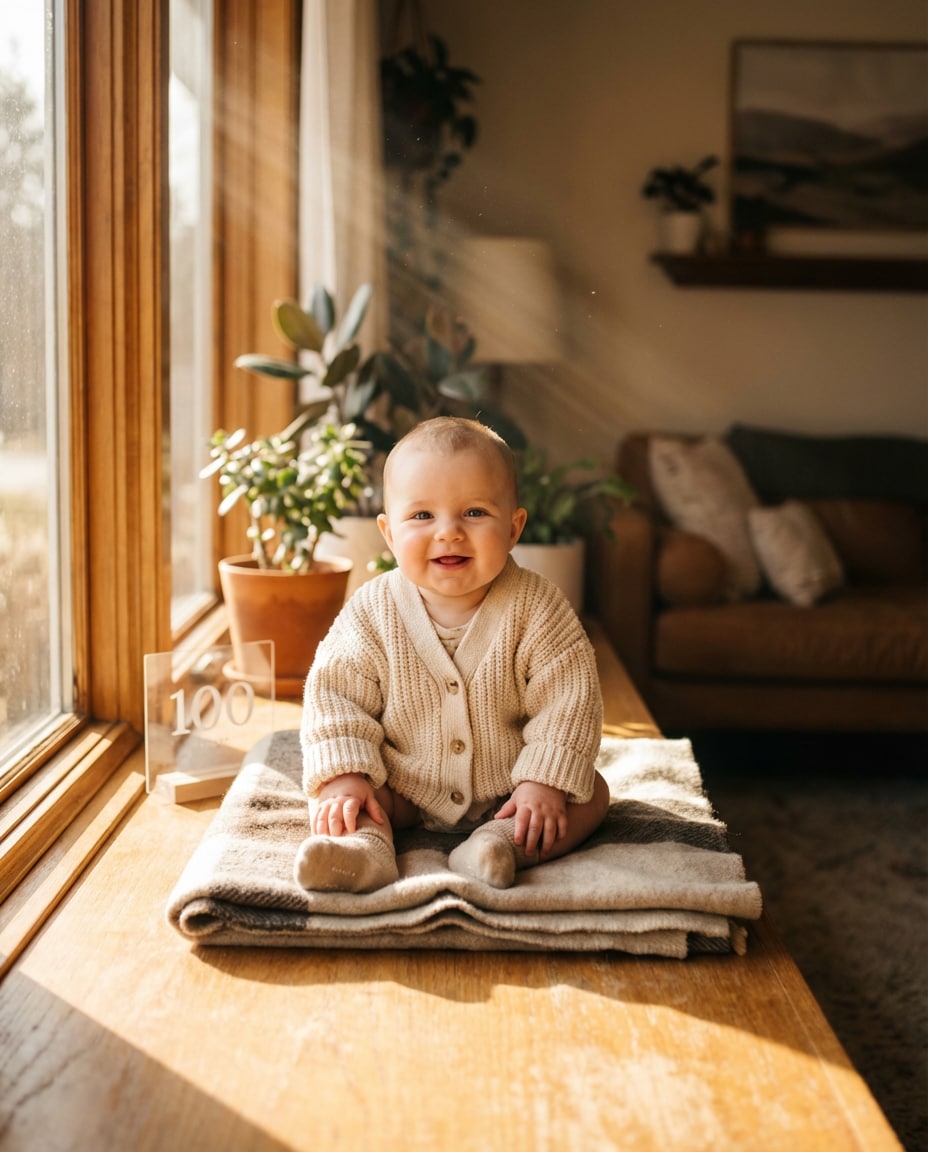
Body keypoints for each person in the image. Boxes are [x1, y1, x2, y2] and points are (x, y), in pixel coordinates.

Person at [294, 416, 609, 893]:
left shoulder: (539, 608)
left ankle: (499, 845)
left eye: (475, 513)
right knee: (348, 800)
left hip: (510, 786)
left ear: (513, 527)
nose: (449, 532)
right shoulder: (371, 611)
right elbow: (335, 698)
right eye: (422, 516)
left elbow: (569, 702)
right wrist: (345, 775)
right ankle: (364, 851)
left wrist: (540, 783)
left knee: (591, 792)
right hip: (402, 785)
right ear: (388, 533)